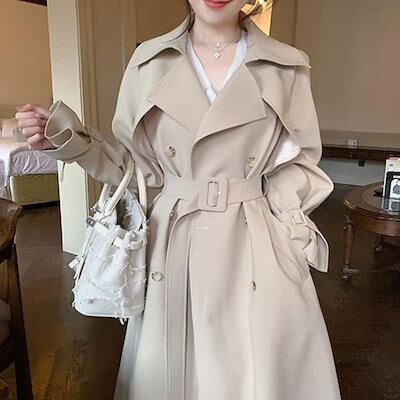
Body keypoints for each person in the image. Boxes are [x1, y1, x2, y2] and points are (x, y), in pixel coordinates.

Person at [15, 1, 342, 399]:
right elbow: (134, 169)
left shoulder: (287, 66)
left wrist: (289, 232)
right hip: (173, 243)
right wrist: (69, 140)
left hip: (256, 243)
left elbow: (300, 163)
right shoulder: (148, 62)